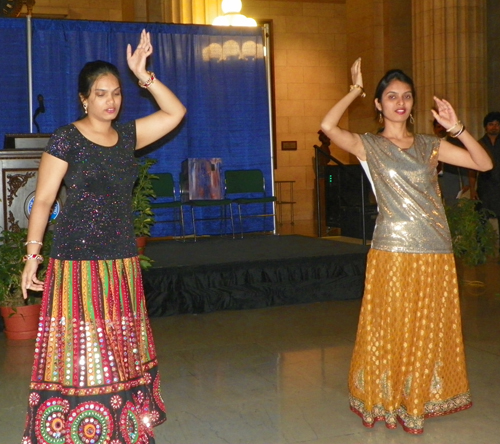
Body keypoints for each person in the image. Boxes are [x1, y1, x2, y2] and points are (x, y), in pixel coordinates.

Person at [20, 29, 186, 443]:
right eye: (100, 93)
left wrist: (143, 75)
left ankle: (118, 422)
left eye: (115, 92)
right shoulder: (66, 139)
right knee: (82, 345)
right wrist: (32, 256)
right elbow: (42, 202)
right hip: (76, 259)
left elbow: (174, 112)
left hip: (120, 259)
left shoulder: (127, 137)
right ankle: (78, 428)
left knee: (118, 344)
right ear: (83, 99)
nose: (110, 101)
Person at [320, 58, 492, 434]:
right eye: (392, 96)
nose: (401, 102)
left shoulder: (431, 145)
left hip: (435, 249)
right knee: (390, 326)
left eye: (407, 96)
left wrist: (457, 127)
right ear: (379, 104)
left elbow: (483, 162)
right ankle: (385, 397)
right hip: (392, 249)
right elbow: (327, 126)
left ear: (413, 105)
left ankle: (417, 399)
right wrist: (354, 90)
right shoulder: (368, 146)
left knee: (425, 327)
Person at [432, 119, 471, 203]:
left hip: (451, 179)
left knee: (453, 207)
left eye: (443, 127)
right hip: (433, 180)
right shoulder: (428, 143)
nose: (441, 129)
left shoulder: (456, 143)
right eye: (438, 127)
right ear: (434, 129)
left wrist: (466, 182)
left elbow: (463, 162)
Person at [469, 112, 500, 218]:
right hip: (484, 188)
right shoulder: (479, 144)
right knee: (481, 220)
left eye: (497, 124)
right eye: (491, 124)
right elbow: (472, 169)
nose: (494, 127)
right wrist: (472, 189)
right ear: (485, 127)